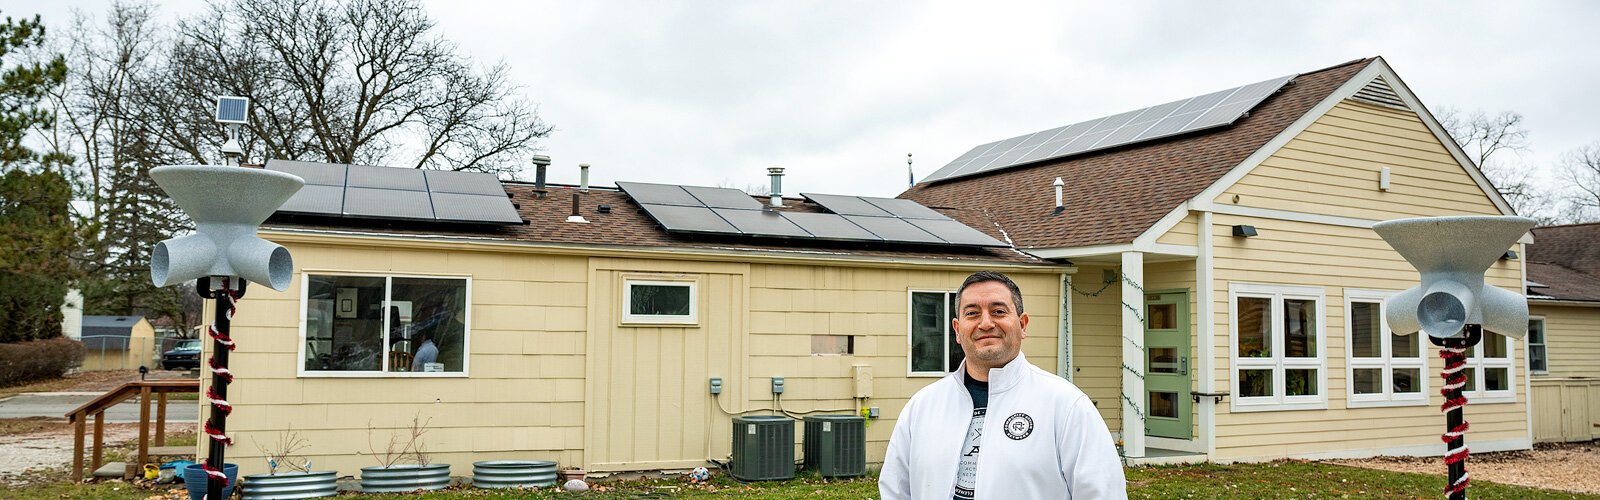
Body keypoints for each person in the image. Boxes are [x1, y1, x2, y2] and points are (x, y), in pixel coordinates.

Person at [880, 271, 1125, 499]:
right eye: (972, 313)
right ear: (957, 329)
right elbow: (895, 490)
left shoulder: (1066, 406)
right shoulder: (922, 407)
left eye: (998, 311)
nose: (985, 323)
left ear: (1023, 325)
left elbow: (1103, 493)